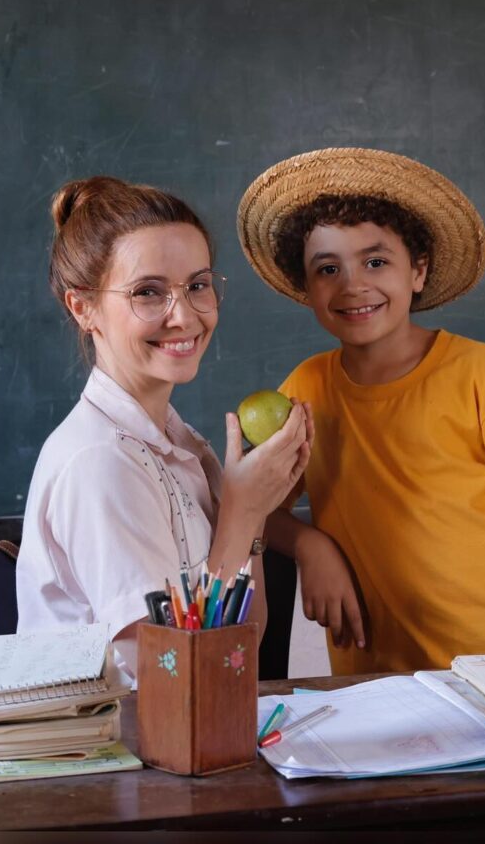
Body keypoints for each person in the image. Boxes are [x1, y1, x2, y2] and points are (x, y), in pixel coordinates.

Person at [237, 147, 485, 675]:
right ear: (308, 289)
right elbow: (253, 505)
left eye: (376, 261)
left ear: (419, 272)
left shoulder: (483, 374)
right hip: (384, 683)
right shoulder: (305, 390)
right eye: (327, 269)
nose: (352, 285)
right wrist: (309, 546)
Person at [16, 176, 309, 674]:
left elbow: (246, 647)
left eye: (197, 286)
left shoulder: (178, 443)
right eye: (148, 292)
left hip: (186, 740)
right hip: (121, 746)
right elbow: (184, 675)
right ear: (83, 307)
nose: (184, 316)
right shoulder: (101, 463)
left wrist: (256, 513)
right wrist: (239, 513)